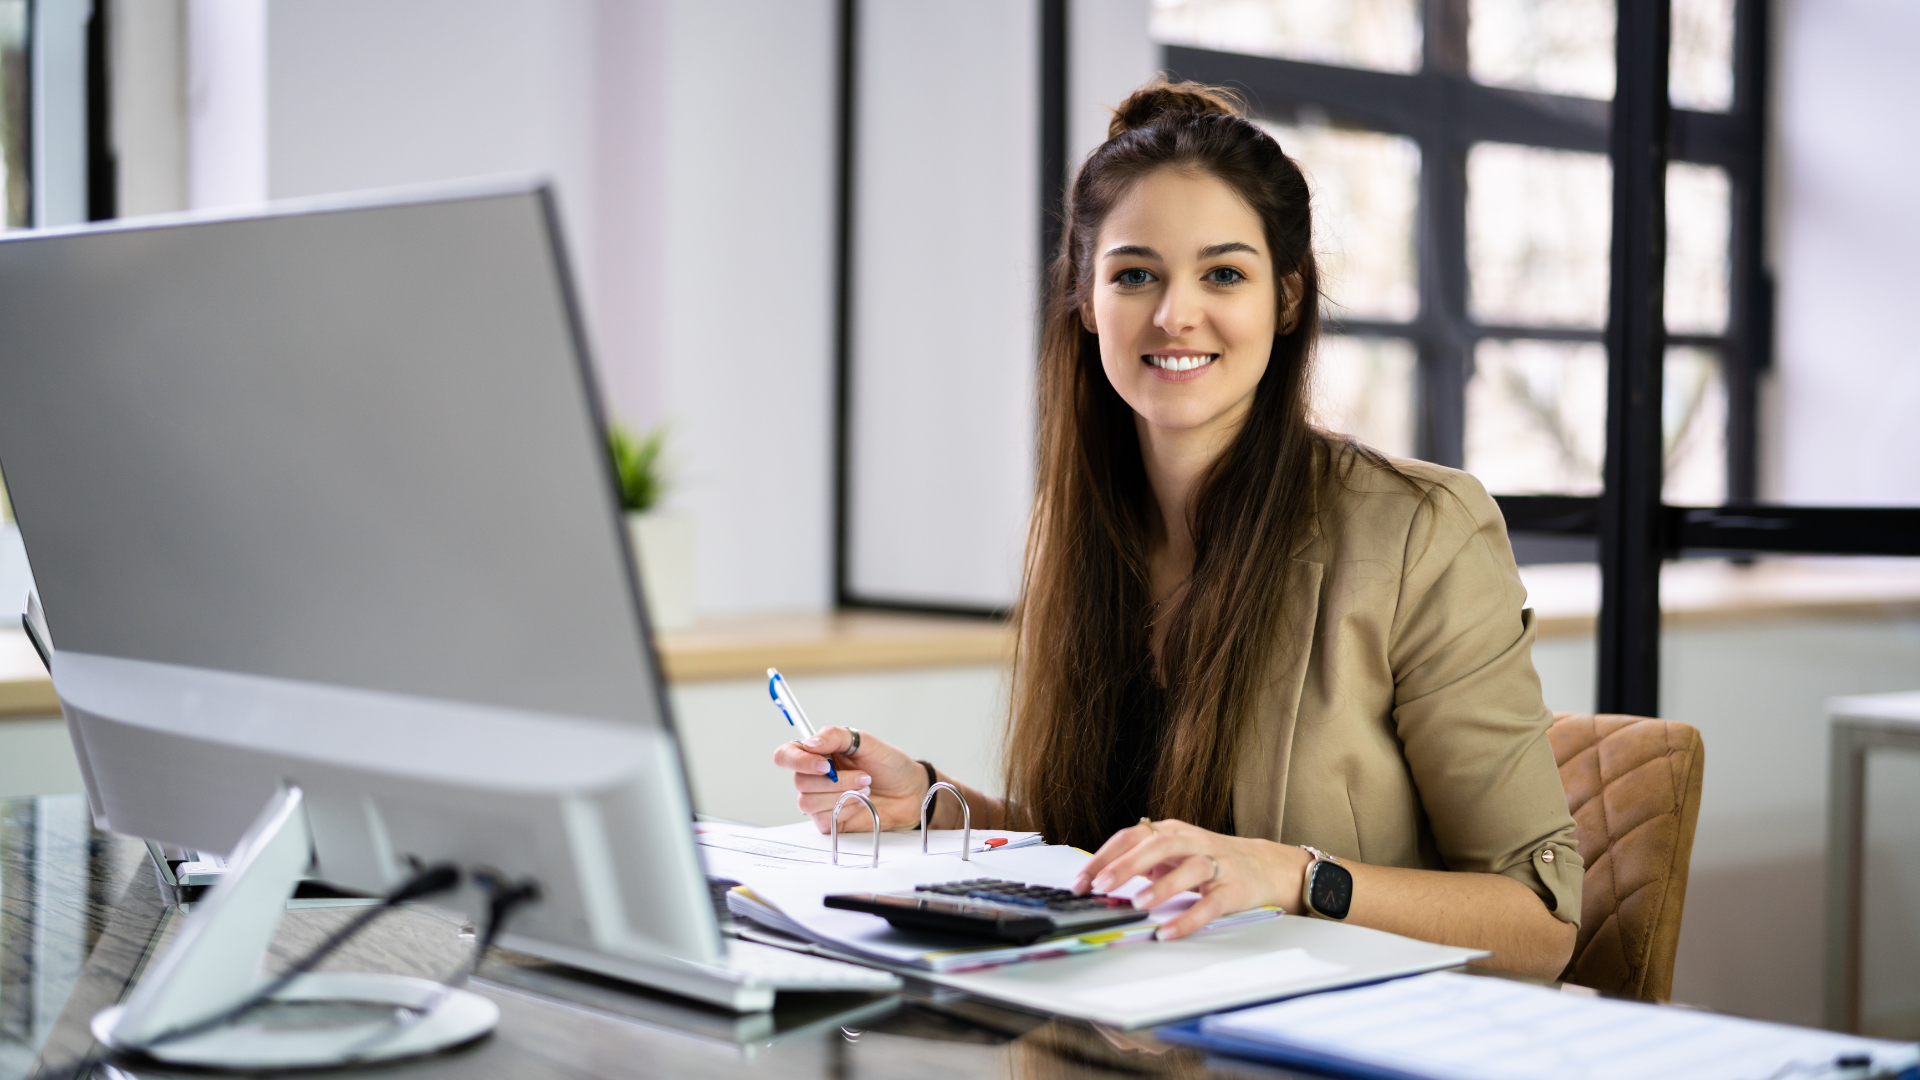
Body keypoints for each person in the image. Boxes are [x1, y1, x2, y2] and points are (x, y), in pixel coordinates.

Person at [772, 79, 1582, 979]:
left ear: (1285, 298)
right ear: (1085, 299)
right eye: (1135, 274)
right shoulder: (1077, 529)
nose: (1174, 314)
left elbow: (1540, 927)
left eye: (1223, 274)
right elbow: (1098, 856)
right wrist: (932, 802)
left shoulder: (1420, 531)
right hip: (1123, 1028)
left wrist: (1291, 875)